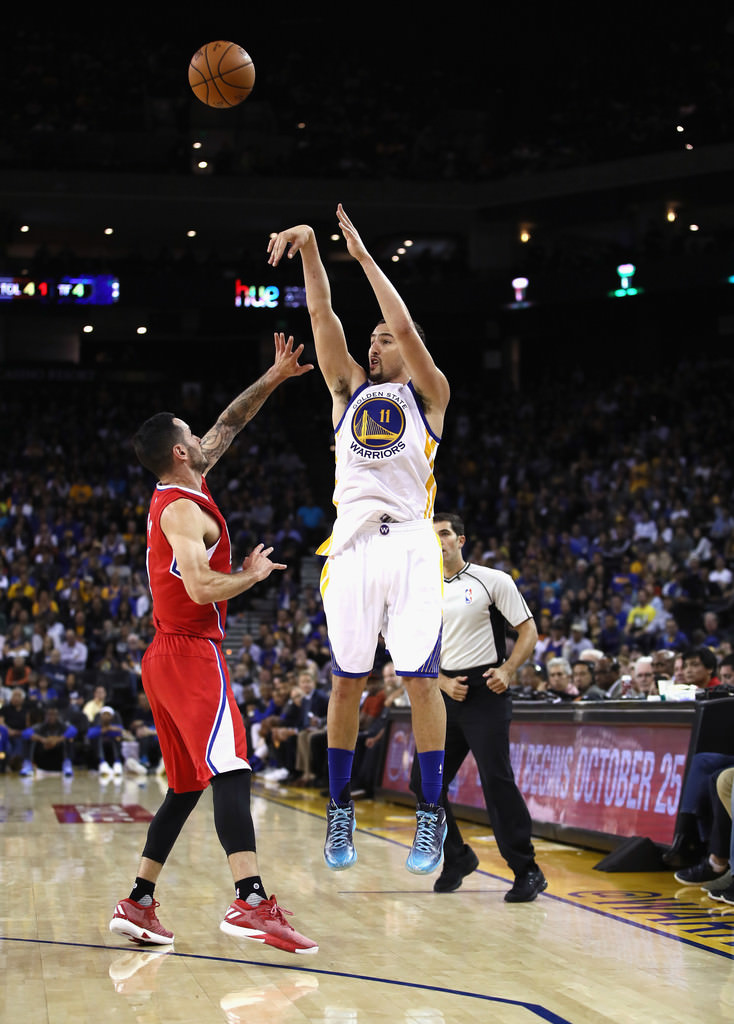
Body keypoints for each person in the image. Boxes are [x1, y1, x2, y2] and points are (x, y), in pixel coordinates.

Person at [109, 333, 318, 956]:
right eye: (191, 434)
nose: (205, 435)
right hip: (189, 651)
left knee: (186, 785)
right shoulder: (180, 509)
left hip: (167, 655)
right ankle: (251, 901)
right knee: (231, 764)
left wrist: (276, 375)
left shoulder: (190, 483)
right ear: (180, 450)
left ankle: (138, 902)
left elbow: (230, 421)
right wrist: (250, 576)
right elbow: (199, 587)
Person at [268, 206, 450, 875]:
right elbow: (322, 320)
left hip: (409, 546)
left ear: (410, 349)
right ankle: (338, 808)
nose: (376, 346)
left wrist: (366, 259)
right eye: (370, 340)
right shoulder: (346, 391)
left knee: (421, 682)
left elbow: (402, 322)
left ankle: (430, 813)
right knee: (345, 686)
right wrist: (315, 250)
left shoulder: (430, 395)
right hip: (349, 549)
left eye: (385, 340)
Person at [409, 514, 547, 902]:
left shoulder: (493, 580)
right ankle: (456, 857)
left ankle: (527, 869)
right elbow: (408, 648)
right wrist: (439, 682)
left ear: (460, 539)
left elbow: (528, 630)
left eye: (445, 534)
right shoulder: (417, 590)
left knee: (496, 781)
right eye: (432, 536)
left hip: (485, 690)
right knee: (423, 782)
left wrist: (507, 669)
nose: (439, 541)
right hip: (443, 692)